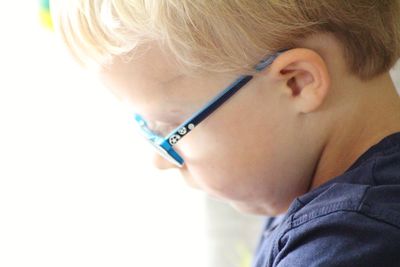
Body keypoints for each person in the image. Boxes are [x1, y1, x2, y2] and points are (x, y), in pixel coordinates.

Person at [51, 1, 400, 266]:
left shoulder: (350, 242)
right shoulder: (312, 186)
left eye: (170, 128)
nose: (162, 160)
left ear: (296, 83)